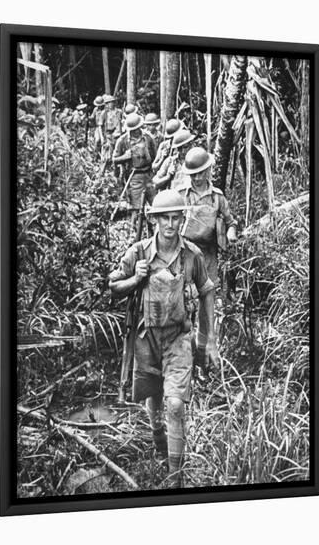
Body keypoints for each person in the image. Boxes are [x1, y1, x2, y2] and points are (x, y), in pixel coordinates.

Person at [109, 190, 219, 487]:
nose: (170, 224)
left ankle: (175, 478)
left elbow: (207, 291)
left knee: (175, 404)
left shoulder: (191, 255)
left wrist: (207, 341)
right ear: (154, 219)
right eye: (164, 218)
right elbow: (113, 285)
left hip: (178, 338)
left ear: (182, 219)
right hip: (146, 338)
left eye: (175, 217)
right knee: (154, 398)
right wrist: (136, 278)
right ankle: (160, 446)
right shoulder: (139, 253)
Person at [176, 147, 237, 374]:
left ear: (209, 170)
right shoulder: (182, 194)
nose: (198, 177)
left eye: (201, 172)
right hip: (187, 255)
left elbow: (231, 221)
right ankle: (184, 358)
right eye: (193, 174)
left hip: (209, 255)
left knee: (206, 304)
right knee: (184, 304)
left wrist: (230, 233)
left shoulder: (217, 197)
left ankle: (206, 357)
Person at [113, 113, 156, 227]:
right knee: (135, 209)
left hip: (149, 175)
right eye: (132, 130)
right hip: (134, 177)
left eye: (137, 129)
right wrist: (125, 157)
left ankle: (154, 230)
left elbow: (155, 155)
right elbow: (114, 159)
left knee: (155, 205)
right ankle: (133, 232)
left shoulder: (148, 138)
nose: (135, 132)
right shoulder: (122, 141)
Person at [98, 94, 123, 173]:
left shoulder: (119, 112)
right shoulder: (104, 113)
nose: (110, 104)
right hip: (108, 135)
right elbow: (100, 126)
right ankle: (104, 172)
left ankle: (117, 171)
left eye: (111, 102)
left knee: (118, 154)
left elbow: (123, 122)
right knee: (107, 155)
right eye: (108, 103)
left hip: (118, 135)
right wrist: (102, 137)